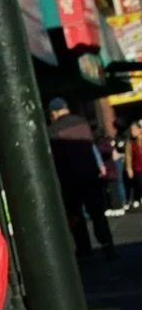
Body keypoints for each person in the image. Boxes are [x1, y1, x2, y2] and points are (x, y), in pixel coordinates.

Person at [47, 97, 116, 260]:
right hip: (90, 174)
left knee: (75, 215)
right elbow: (91, 147)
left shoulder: (53, 130)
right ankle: (107, 245)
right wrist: (99, 165)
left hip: (69, 178)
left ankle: (84, 249)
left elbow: (55, 158)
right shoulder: (83, 122)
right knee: (98, 213)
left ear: (54, 112)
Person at [128, 120, 142, 210]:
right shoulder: (131, 142)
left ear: (140, 129)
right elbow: (129, 156)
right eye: (131, 130)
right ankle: (138, 198)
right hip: (138, 167)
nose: (132, 132)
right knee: (139, 183)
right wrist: (129, 168)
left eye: (134, 130)